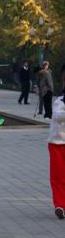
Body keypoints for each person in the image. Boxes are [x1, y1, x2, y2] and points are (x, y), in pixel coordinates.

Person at [48, 90, 65, 219]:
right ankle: (60, 205)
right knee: (58, 176)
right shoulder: (59, 102)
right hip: (57, 145)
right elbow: (58, 116)